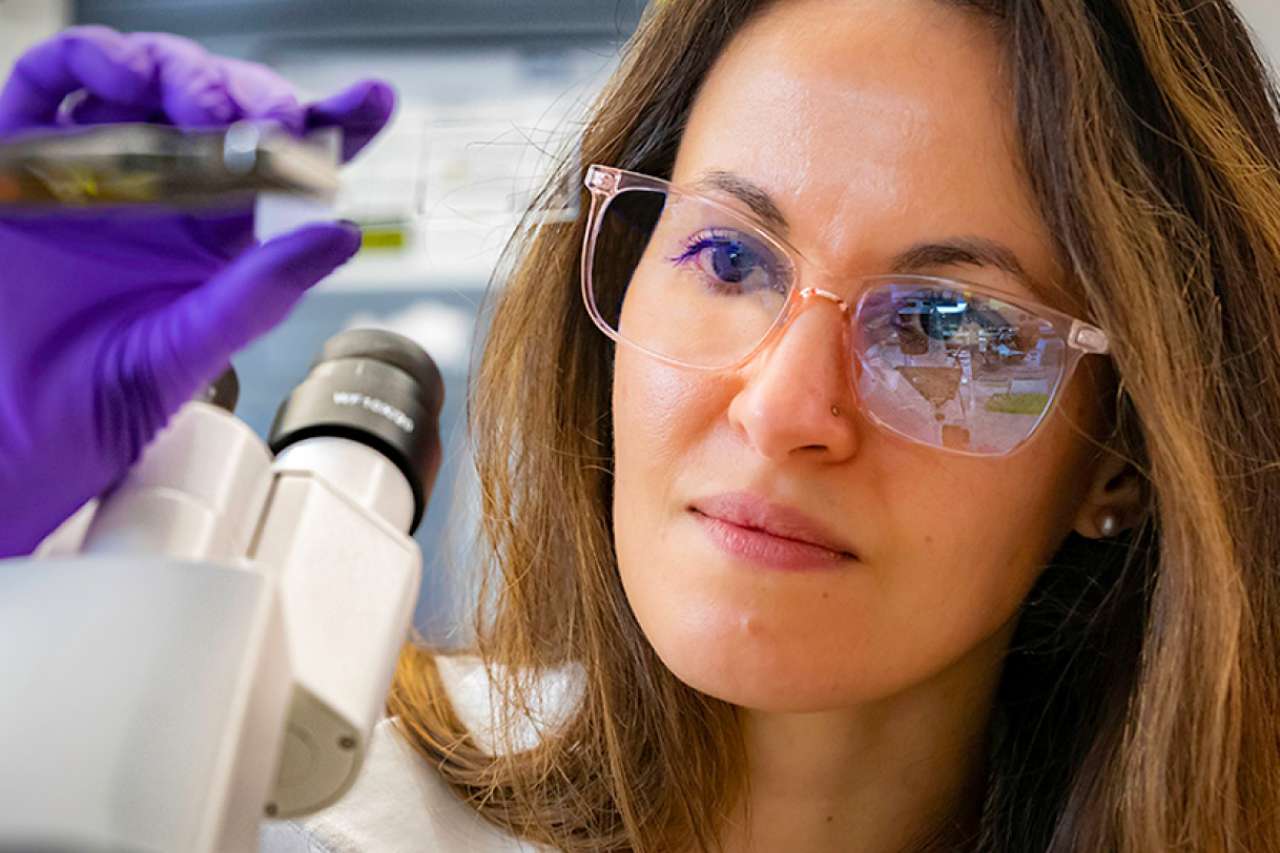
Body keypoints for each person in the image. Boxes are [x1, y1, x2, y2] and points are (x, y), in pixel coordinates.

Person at [2, 0, 1279, 850]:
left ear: (1122, 455)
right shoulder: (287, 805)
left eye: (947, 325)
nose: (783, 410)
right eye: (729, 257)